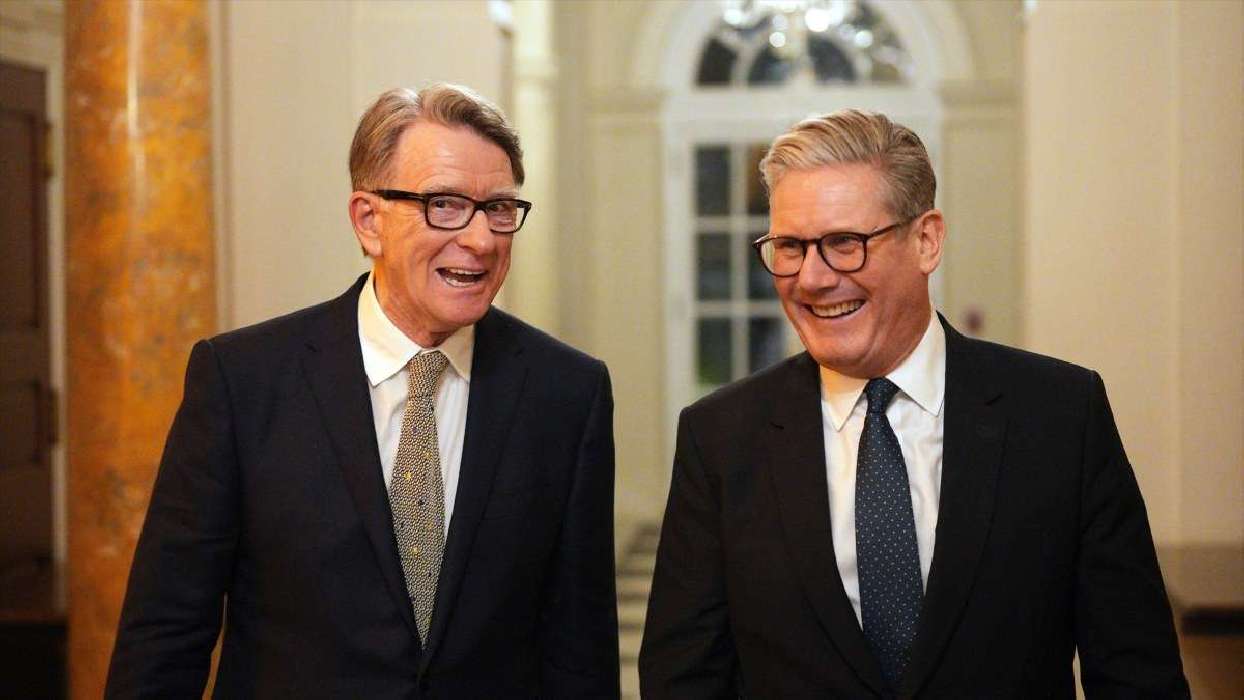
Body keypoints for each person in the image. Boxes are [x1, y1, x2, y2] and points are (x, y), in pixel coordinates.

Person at [639, 109, 1187, 698]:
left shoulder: (1060, 417)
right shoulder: (721, 438)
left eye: (845, 243)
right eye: (791, 247)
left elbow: (1137, 675)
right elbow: (683, 680)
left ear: (926, 240)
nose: (813, 278)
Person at [106, 84, 619, 698]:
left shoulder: (567, 394)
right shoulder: (242, 381)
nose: (482, 240)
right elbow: (166, 634)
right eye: (445, 205)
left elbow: (580, 650)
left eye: (500, 209)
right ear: (369, 221)